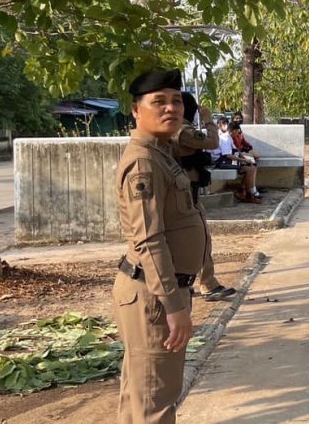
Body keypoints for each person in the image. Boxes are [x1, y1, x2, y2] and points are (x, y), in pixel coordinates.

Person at [113, 69, 207, 424]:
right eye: (159, 102)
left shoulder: (161, 152)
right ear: (136, 110)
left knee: (142, 398)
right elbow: (149, 240)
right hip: (154, 296)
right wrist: (173, 304)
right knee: (154, 403)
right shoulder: (144, 162)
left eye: (176, 101)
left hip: (156, 290)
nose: (171, 108)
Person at [173, 93, 236, 304]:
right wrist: (208, 119)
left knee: (189, 241)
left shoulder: (173, 129)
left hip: (184, 192)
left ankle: (187, 284)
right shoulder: (182, 130)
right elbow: (212, 142)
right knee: (201, 239)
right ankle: (207, 284)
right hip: (186, 194)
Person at [211, 120, 260, 204]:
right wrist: (243, 160)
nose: (238, 134)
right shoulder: (225, 139)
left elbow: (236, 150)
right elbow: (227, 155)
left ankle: (242, 191)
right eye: (237, 131)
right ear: (232, 131)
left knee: (252, 166)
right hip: (220, 161)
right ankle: (248, 196)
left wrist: (245, 158)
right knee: (250, 169)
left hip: (225, 159)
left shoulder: (229, 137)